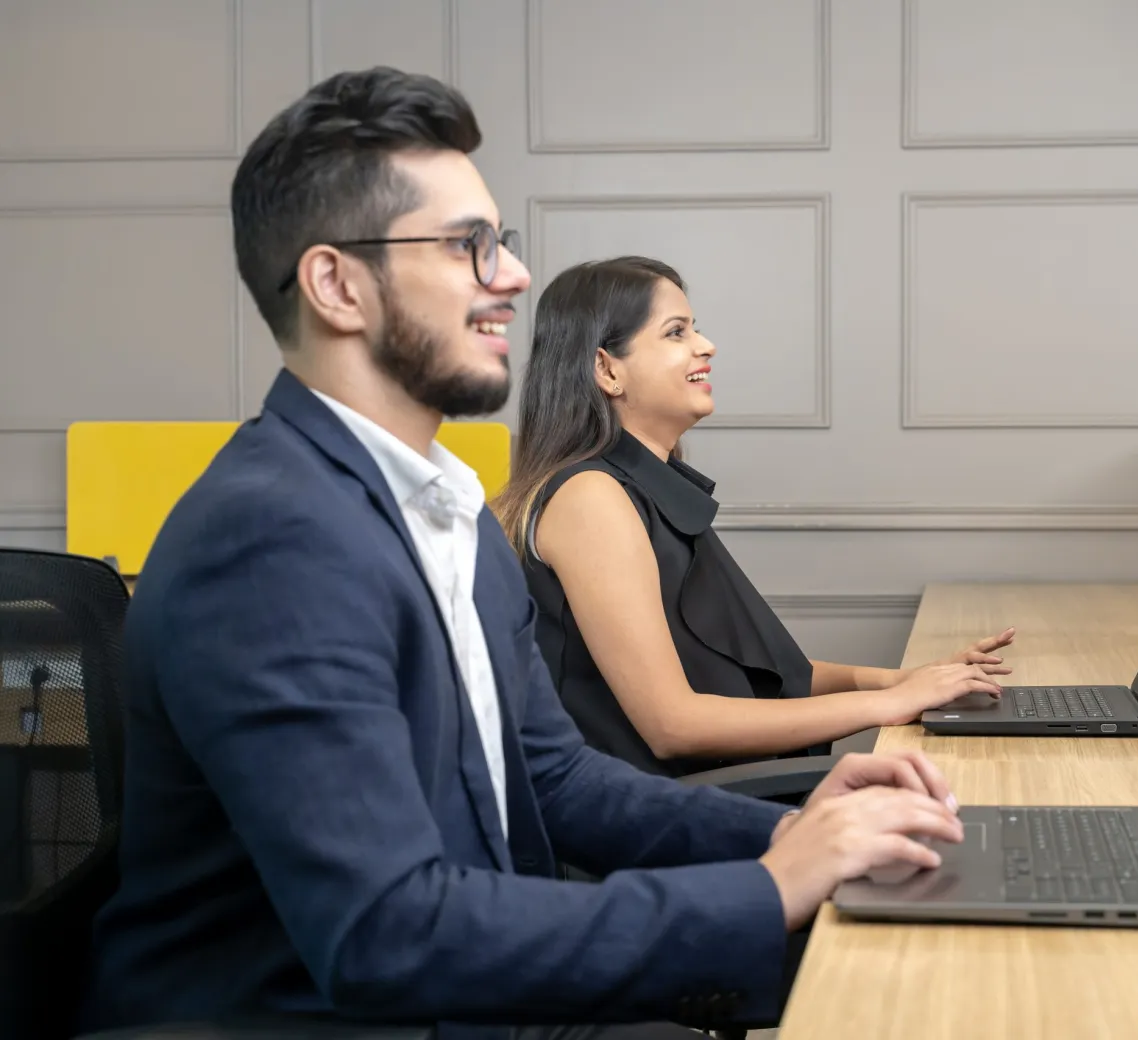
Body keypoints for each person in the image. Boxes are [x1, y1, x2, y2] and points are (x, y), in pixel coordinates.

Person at [81, 66, 968, 1040]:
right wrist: (767, 887)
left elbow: (558, 779)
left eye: (501, 243)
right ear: (337, 284)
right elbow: (386, 931)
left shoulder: (447, 504)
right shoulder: (271, 540)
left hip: (471, 990)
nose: (510, 275)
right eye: (468, 246)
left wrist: (796, 833)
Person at [493, 257, 1016, 778]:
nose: (706, 345)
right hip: (668, 822)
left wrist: (903, 682)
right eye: (676, 333)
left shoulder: (642, 489)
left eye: (695, 328)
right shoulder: (591, 498)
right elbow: (673, 725)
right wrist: (888, 706)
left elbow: (766, 677)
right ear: (607, 370)